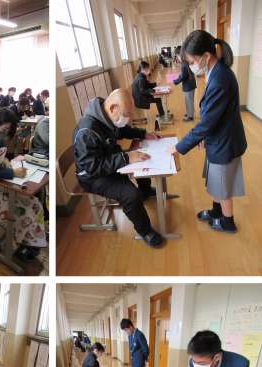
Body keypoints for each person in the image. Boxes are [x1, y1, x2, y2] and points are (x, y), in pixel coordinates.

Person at [172, 30, 247, 234]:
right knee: (215, 179)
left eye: (192, 61)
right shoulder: (215, 70)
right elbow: (212, 115)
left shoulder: (220, 78)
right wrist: (204, 136)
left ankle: (227, 222)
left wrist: (179, 147)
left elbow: (206, 123)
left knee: (223, 184)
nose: (191, 66)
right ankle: (216, 212)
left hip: (225, 141)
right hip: (218, 137)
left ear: (206, 56)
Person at [73, 88, 164, 248]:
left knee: (140, 158)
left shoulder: (105, 115)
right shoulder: (87, 132)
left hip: (108, 160)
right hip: (93, 176)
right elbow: (92, 166)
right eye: (126, 114)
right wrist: (126, 158)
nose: (127, 118)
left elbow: (121, 130)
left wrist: (143, 134)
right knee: (131, 195)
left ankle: (145, 190)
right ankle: (145, 231)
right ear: (113, 108)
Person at [0, 108, 47, 259]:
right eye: (5, 129)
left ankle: (32, 236)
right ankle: (25, 241)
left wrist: (6, 161)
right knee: (23, 209)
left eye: (8, 130)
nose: (6, 132)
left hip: (0, 182)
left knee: (34, 203)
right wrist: (11, 173)